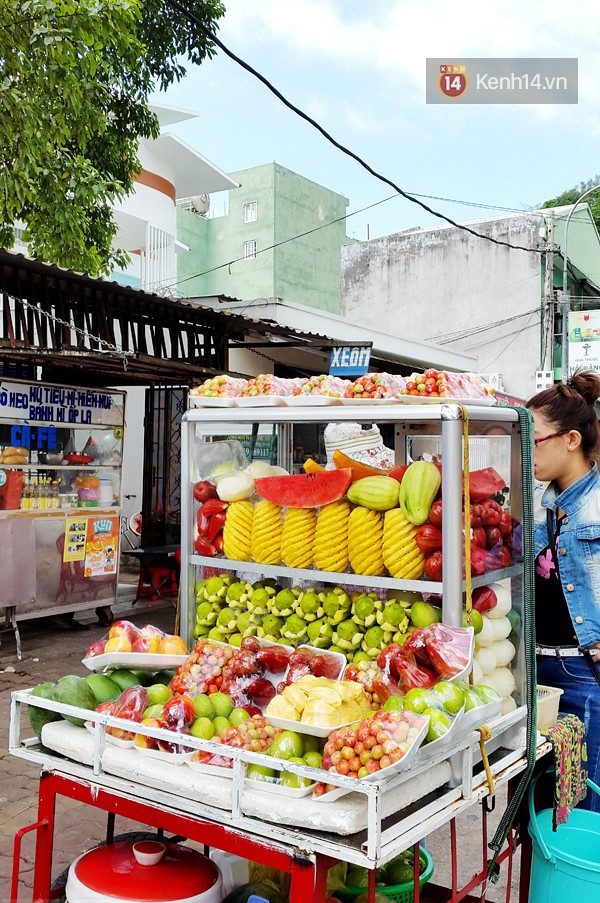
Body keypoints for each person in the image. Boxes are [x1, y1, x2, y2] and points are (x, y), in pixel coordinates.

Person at [527, 369, 600, 812]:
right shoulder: (538, 502)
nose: (526, 450)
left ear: (571, 439)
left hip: (582, 676)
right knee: (537, 811)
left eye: (532, 438)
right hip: (533, 673)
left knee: (578, 813)